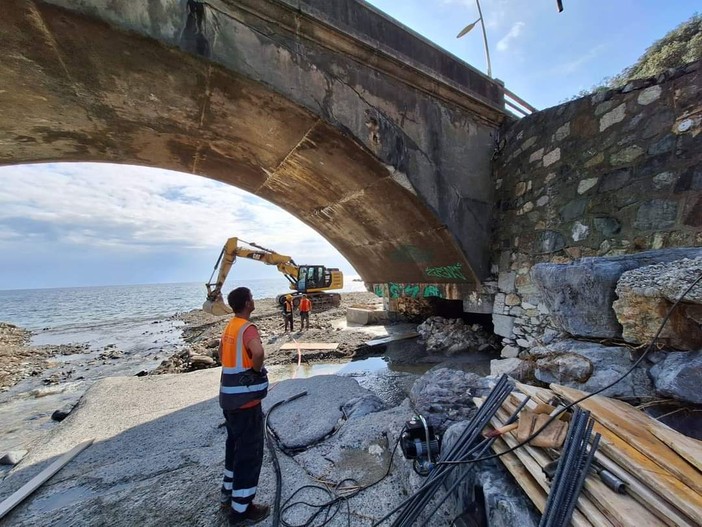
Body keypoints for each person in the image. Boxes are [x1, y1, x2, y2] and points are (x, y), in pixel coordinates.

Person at [218, 287, 270, 526]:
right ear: (248, 302)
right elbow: (257, 352)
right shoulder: (248, 328)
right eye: (252, 297)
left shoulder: (230, 326)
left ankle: (227, 493)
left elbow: (221, 355)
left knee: (234, 447)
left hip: (228, 400)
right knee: (249, 455)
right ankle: (242, 510)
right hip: (246, 402)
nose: (254, 300)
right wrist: (255, 371)